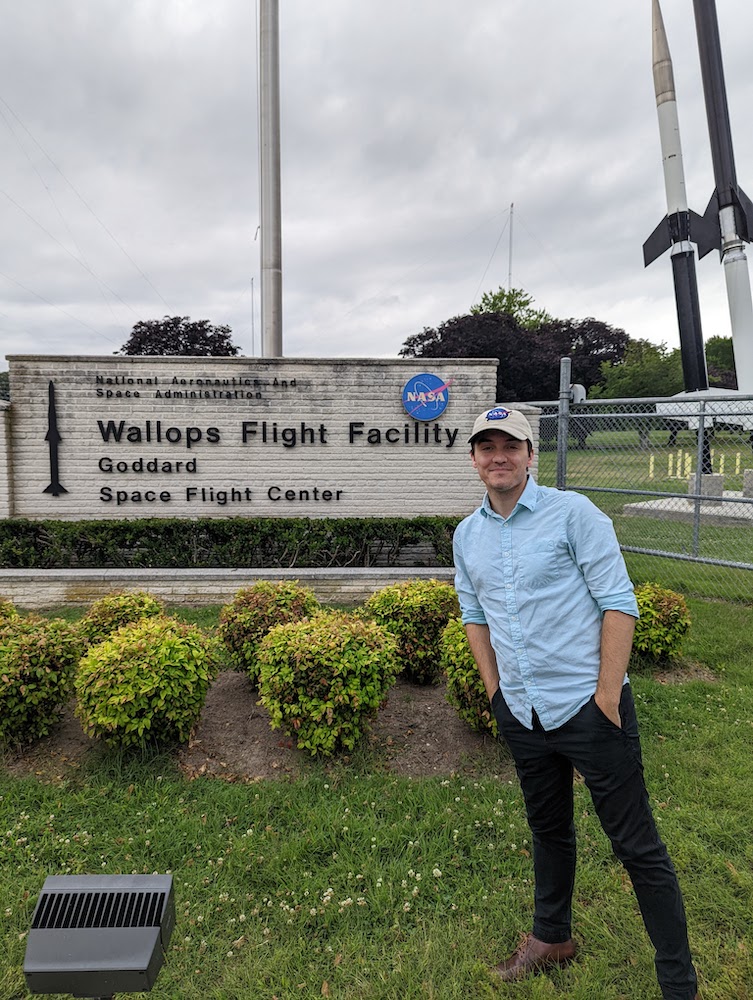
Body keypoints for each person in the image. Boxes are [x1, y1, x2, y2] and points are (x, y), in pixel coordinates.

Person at [453, 406, 699, 1000]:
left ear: (531, 455)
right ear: (474, 461)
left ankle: (678, 982)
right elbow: (475, 616)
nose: (498, 457)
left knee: (637, 845)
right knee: (549, 829)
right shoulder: (468, 535)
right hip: (523, 711)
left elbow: (619, 602)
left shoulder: (573, 514)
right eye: (485, 447)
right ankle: (551, 939)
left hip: (589, 708)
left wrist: (607, 699)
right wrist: (496, 696)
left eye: (509, 446)